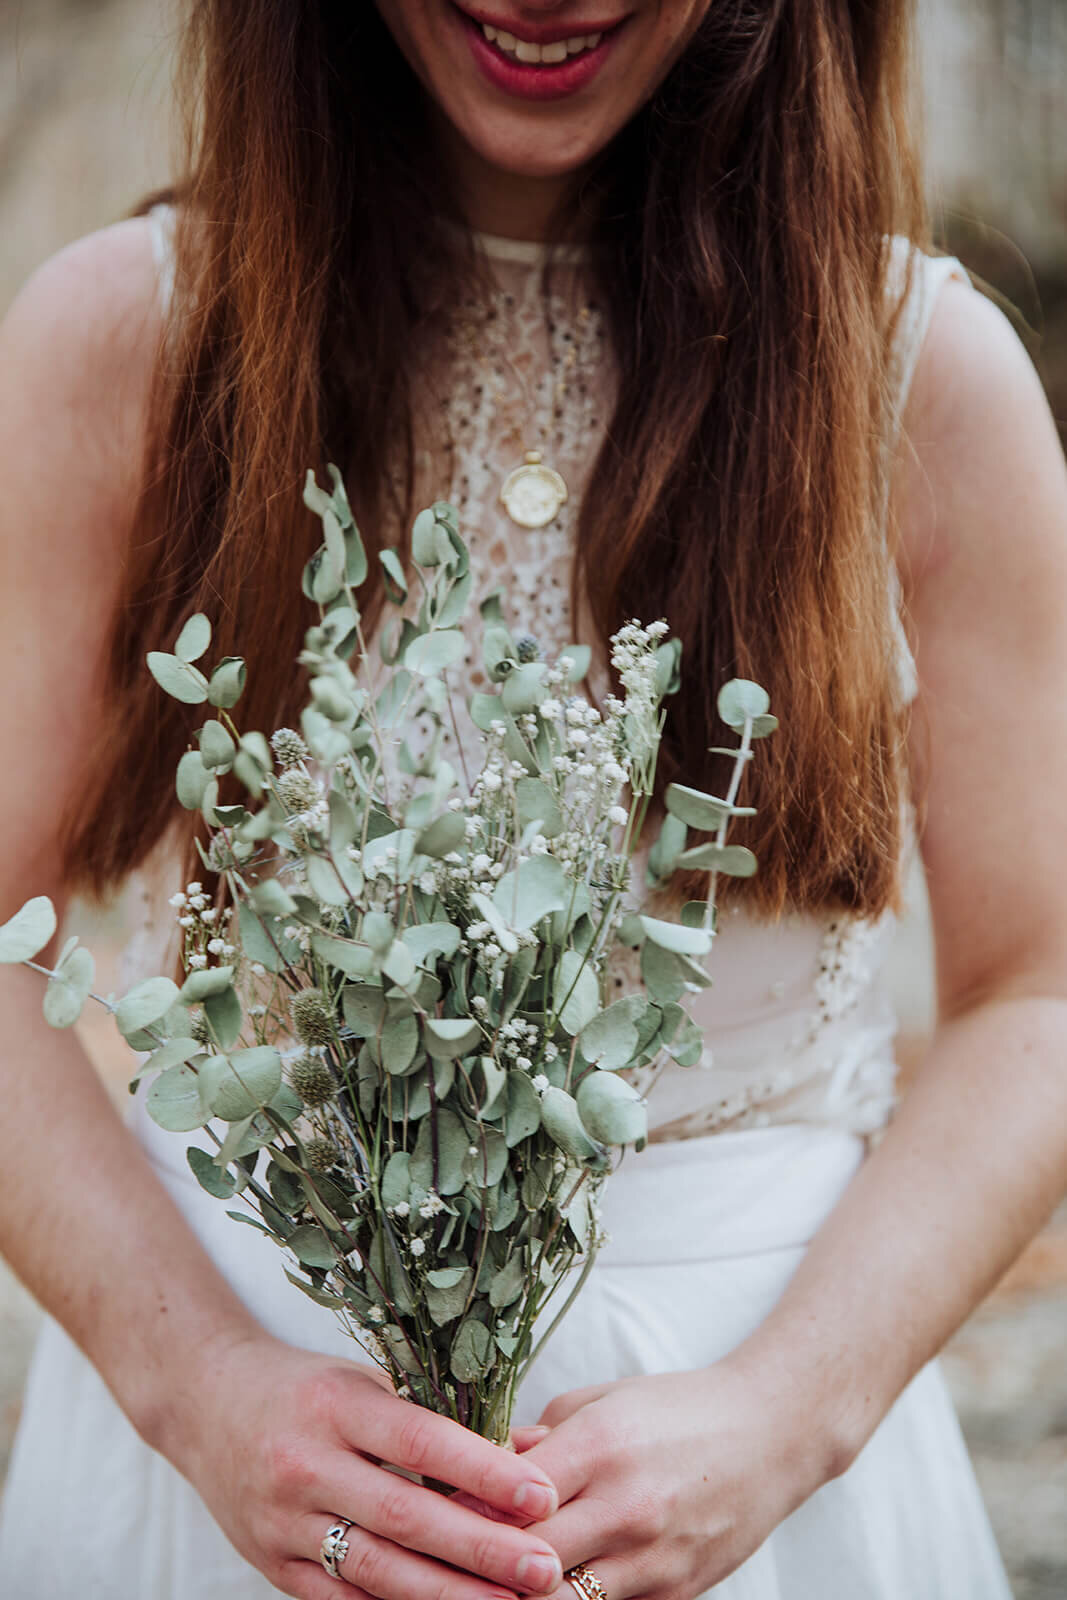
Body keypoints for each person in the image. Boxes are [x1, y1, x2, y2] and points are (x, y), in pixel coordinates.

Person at [1, 1, 1065, 1596]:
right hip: (226, 1501)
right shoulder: (128, 341)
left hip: (766, 1519)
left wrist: (790, 1421)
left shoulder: (919, 377)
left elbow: (1039, 990)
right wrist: (204, 1390)